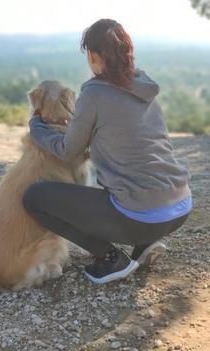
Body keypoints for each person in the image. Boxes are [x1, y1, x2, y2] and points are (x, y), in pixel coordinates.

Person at [22, 18, 192, 284]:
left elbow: (67, 151)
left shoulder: (94, 93)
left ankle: (112, 258)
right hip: (180, 207)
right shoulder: (145, 87)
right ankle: (144, 245)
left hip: (140, 216)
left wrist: (37, 127)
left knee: (34, 197)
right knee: (132, 190)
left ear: (94, 55)